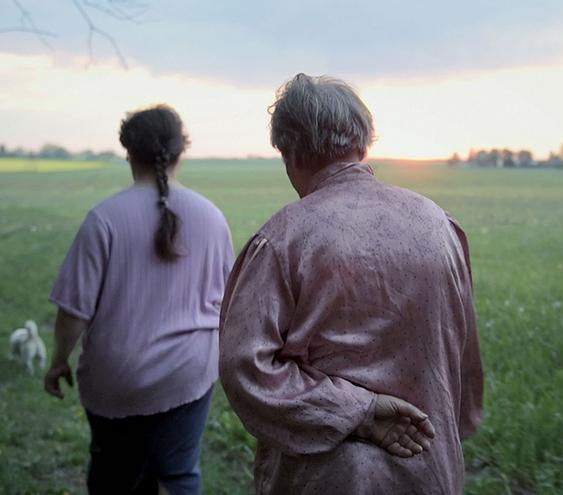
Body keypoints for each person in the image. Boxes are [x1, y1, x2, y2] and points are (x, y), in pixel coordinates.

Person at [218, 74, 484, 494]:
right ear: (363, 144)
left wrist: (358, 412)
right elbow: (461, 352)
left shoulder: (281, 240)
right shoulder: (440, 226)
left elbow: (246, 368)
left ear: (290, 152)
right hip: (429, 467)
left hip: (325, 479)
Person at [44, 105, 234, 494]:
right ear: (182, 150)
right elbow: (228, 306)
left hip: (114, 380)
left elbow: (73, 313)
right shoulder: (212, 218)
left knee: (114, 474)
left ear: (128, 151)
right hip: (187, 375)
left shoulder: (104, 219)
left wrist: (59, 360)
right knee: (177, 474)